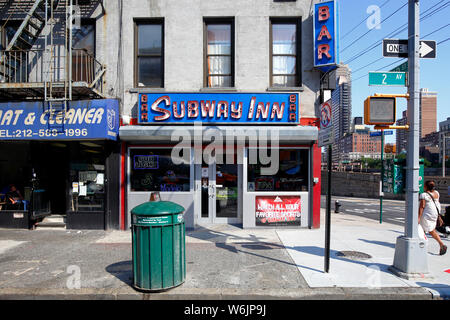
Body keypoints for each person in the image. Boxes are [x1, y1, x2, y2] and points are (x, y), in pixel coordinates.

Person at [419, 180, 447, 256]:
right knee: (431, 230)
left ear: (425, 187)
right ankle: (441, 244)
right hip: (435, 214)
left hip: (427, 214)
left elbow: (422, 207)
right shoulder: (436, 193)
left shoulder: (424, 195)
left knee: (421, 229)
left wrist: (418, 217)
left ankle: (421, 245)